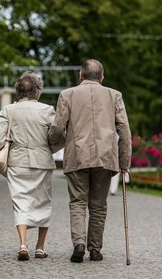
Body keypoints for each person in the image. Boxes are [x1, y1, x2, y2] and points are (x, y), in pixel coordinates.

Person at [49, 59, 131, 263]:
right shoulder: (114, 95)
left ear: (80, 76)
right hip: (105, 157)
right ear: (102, 77)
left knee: (77, 202)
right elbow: (125, 131)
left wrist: (52, 145)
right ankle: (95, 249)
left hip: (77, 155)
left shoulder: (67, 95)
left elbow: (58, 128)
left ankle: (79, 243)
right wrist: (124, 162)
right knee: (98, 205)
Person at [0, 71, 62, 261]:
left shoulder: (8, 110)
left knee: (21, 202)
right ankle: (40, 248)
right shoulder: (47, 110)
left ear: (18, 91)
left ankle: (23, 244)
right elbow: (59, 136)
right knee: (43, 202)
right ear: (37, 91)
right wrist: (48, 148)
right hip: (42, 161)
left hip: (17, 162)